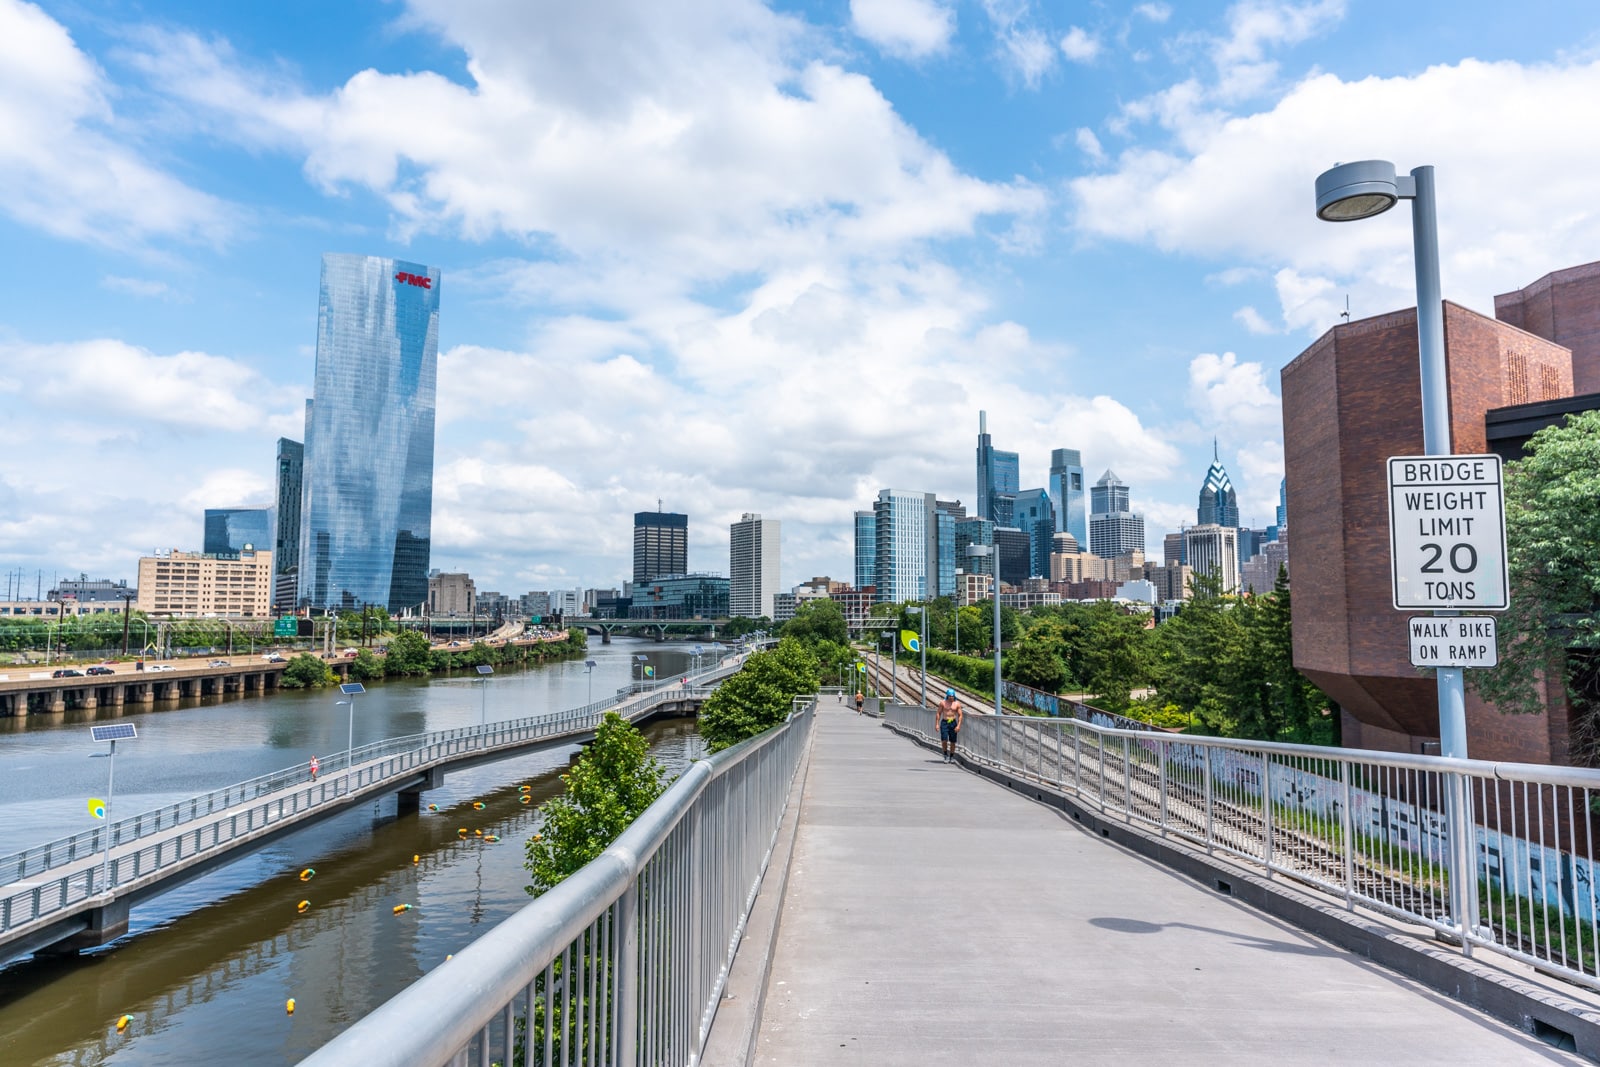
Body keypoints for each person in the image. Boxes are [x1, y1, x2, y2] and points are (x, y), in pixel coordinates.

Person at [936, 689, 963, 763]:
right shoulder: (943, 703)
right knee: (944, 739)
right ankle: (945, 755)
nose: (951, 698)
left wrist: (958, 725)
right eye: (950, 696)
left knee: (953, 741)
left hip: (953, 722)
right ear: (947, 696)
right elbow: (938, 713)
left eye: (953, 696)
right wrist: (937, 724)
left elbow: (960, 715)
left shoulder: (957, 704)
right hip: (945, 722)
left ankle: (951, 756)